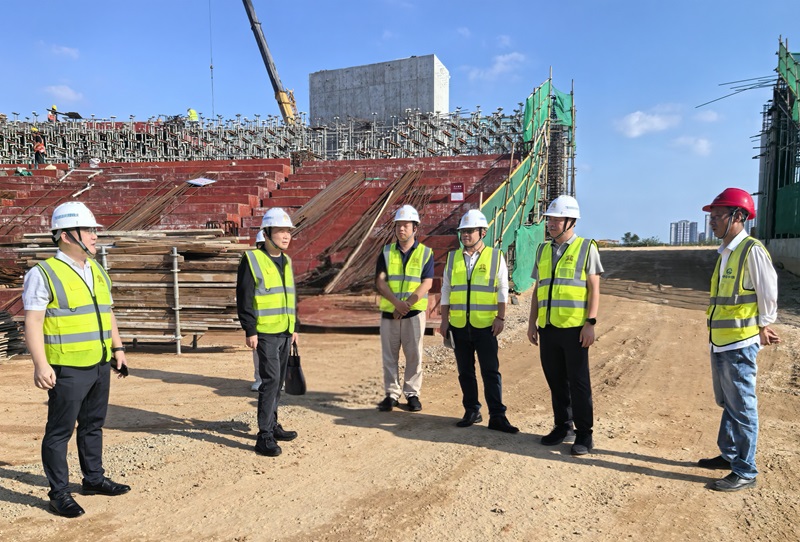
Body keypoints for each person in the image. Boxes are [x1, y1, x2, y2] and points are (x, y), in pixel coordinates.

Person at [23, 201, 131, 518]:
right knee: (60, 431)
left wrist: (118, 349)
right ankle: (59, 493)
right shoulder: (43, 273)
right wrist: (40, 364)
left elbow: (106, 312)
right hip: (67, 367)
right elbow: (32, 322)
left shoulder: (96, 269)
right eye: (88, 230)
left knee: (93, 424)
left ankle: (93, 480)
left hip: (99, 362)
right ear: (67, 235)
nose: (95, 236)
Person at [697, 188, 779, 492]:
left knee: (742, 405)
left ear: (738, 216)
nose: (712, 221)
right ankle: (730, 454)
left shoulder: (751, 250)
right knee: (728, 402)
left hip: (740, 342)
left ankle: (745, 470)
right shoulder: (725, 252)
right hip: (720, 340)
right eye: (711, 216)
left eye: (718, 216)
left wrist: (764, 324)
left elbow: (768, 290)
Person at [527, 195, 602, 456]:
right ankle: (563, 426)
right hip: (548, 328)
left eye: (557, 219)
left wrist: (590, 322)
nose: (551, 223)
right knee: (555, 380)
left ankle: (584, 434)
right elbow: (538, 290)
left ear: (571, 221)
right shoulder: (542, 250)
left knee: (579, 383)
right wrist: (532, 323)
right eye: (549, 219)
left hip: (574, 328)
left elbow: (594, 289)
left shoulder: (586, 247)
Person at [439, 209, 518, 433]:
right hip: (459, 325)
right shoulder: (453, 258)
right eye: (463, 231)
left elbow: (502, 288)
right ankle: (471, 410)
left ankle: (497, 416)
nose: (465, 235)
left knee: (490, 371)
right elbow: (446, 290)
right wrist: (444, 320)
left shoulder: (495, 256)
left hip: (486, 326)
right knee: (465, 372)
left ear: (482, 232)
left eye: (470, 230)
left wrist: (501, 317)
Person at [237, 208, 299, 457]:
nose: (286, 236)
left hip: (285, 330)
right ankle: (264, 436)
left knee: (279, 381)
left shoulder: (287, 261)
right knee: (270, 381)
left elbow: (290, 296)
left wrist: (295, 326)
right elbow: (244, 297)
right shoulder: (251, 259)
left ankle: (273, 426)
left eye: (288, 231)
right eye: (281, 231)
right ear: (267, 233)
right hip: (264, 332)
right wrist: (250, 329)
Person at [375, 204, 434, 412]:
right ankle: (392, 393)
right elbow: (381, 282)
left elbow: (427, 283)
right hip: (390, 312)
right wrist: (396, 304)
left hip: (413, 313)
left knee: (414, 354)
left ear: (415, 228)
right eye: (398, 225)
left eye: (406, 225)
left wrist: (406, 305)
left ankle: (412, 393)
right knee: (389, 355)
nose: (401, 229)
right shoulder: (386, 252)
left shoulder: (425, 253)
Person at [250, 230, 267, 392]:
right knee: (258, 349)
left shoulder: (282, 264)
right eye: (261, 245)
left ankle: (277, 379)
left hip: (279, 318)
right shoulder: (252, 265)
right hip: (259, 316)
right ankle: (260, 379)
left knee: (277, 352)